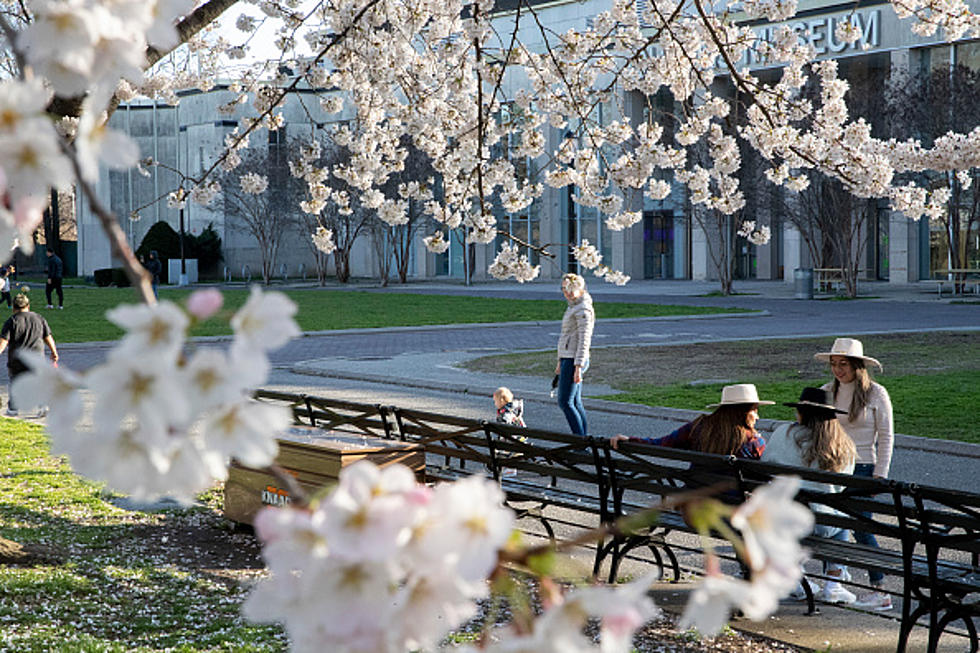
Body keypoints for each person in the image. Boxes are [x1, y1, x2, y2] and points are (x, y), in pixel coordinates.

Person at [815, 337, 894, 611]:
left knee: (861, 527)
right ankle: (833, 581)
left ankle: (880, 589)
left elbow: (886, 437)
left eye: (843, 364)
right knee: (829, 523)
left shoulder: (876, 393)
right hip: (833, 467)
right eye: (834, 364)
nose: (838, 370)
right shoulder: (827, 391)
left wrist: (879, 475)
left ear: (857, 365)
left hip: (862, 468)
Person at [762, 387, 857, 605]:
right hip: (822, 524)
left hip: (782, 522)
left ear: (801, 413)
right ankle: (834, 584)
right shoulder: (843, 446)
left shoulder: (782, 434)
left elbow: (764, 470)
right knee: (841, 517)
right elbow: (838, 490)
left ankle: (796, 579)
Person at [611, 383, 772, 459]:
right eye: (755, 410)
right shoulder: (754, 442)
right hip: (734, 515)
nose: (757, 417)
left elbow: (662, 443)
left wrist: (630, 440)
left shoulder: (699, 427)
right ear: (743, 412)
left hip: (694, 510)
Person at [0, 293, 58, 416]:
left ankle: (13, 409)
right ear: (28, 306)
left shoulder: (12, 321)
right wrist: (54, 352)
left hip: (17, 360)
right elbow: (48, 337)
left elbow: (3, 342)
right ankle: (43, 406)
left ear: (14, 308)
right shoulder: (39, 318)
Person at [554, 273, 594, 436]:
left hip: (574, 360)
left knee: (565, 402)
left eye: (571, 289)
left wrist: (578, 366)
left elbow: (585, 340)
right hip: (568, 358)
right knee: (575, 402)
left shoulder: (583, 308)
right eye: (564, 289)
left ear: (581, 288)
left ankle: (581, 443)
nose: (567, 293)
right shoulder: (573, 305)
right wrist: (559, 360)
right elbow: (566, 336)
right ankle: (583, 441)